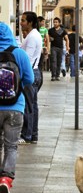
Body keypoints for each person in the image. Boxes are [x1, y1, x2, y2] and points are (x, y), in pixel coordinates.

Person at [0, 22, 34, 193]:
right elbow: (30, 78)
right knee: (11, 146)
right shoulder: (18, 52)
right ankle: (6, 180)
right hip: (15, 107)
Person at [19, 11, 42, 144]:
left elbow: (27, 58)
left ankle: (26, 135)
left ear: (30, 22)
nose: (21, 23)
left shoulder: (32, 37)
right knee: (33, 105)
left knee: (28, 106)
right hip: (34, 72)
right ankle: (33, 135)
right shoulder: (33, 35)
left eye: (23, 20)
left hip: (30, 73)